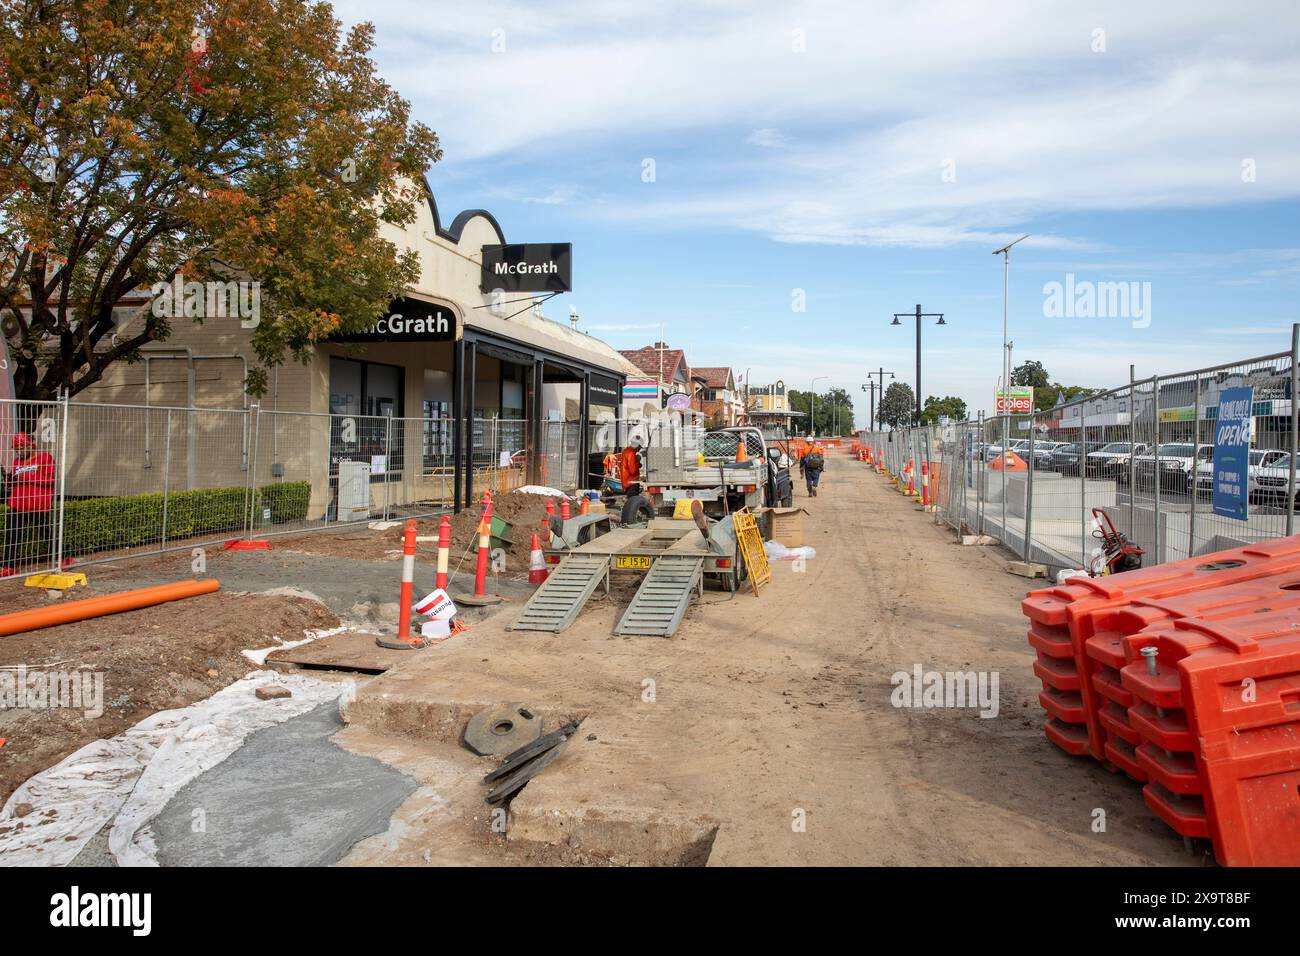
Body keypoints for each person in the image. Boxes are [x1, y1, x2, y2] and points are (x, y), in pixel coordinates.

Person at [1, 432, 58, 576]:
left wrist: (26, 477)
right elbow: (16, 481)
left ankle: (62, 558)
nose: (20, 451)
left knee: (46, 533)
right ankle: (9, 566)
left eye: (22, 447)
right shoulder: (16, 462)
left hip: (37, 504)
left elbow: (50, 480)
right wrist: (9, 480)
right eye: (17, 449)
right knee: (12, 535)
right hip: (17, 504)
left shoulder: (44, 458)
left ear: (31, 445)